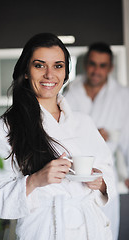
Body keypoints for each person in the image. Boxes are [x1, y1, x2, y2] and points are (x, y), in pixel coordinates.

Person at [0, 33, 115, 240]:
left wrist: (101, 183)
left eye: (58, 66)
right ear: (26, 71)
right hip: (43, 230)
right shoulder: (7, 127)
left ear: (66, 73)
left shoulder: (84, 123)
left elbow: (107, 171)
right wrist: (35, 180)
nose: (49, 74)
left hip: (91, 230)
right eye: (39, 65)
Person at [64, 42, 129, 240]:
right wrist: (91, 134)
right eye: (93, 64)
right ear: (85, 64)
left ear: (110, 68)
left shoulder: (122, 96)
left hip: (104, 177)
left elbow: (127, 137)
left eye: (102, 65)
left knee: (105, 232)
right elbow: (60, 131)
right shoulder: (70, 92)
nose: (96, 70)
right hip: (72, 176)